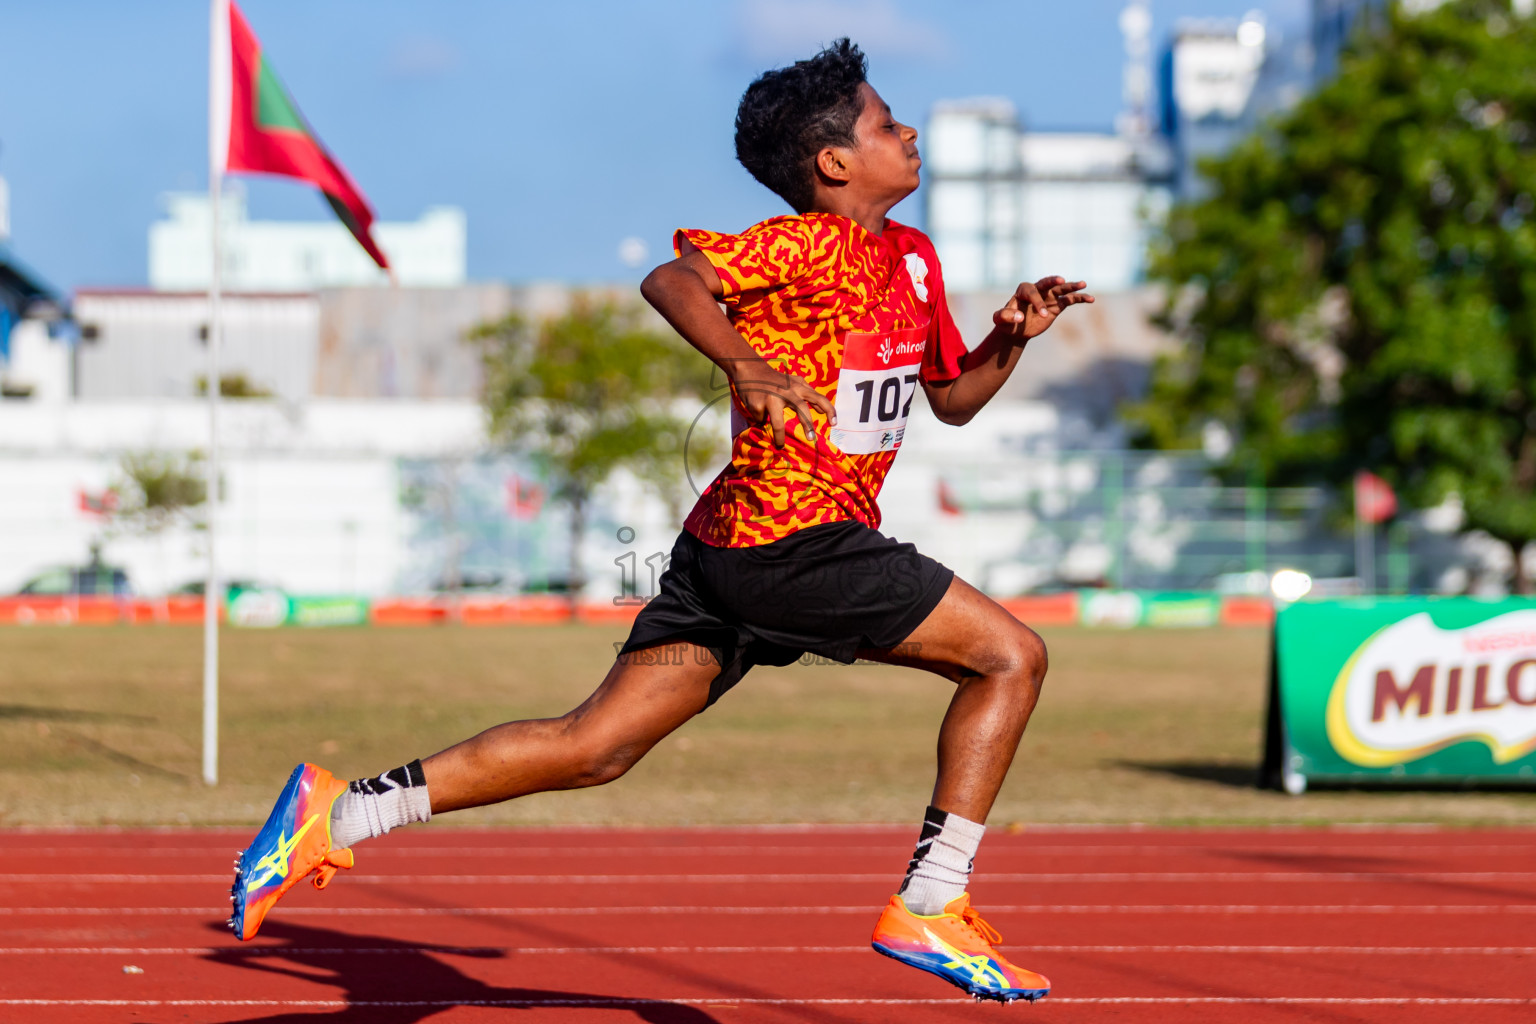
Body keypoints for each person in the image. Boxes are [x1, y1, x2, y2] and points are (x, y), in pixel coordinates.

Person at [229, 38, 1091, 1004]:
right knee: (1010, 657)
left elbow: (953, 400)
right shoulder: (805, 243)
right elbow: (672, 281)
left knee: (594, 746)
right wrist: (744, 364)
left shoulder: (916, 259)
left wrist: (1008, 341)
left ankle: (334, 817)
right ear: (836, 163)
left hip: (729, 552)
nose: (912, 131)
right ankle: (933, 901)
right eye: (890, 124)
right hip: (792, 543)